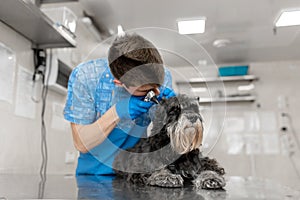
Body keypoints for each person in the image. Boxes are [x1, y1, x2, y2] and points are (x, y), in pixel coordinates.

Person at [64, 33, 176, 175]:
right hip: (95, 175)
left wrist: (170, 110)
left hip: (135, 173)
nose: (155, 92)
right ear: (119, 82)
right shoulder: (86, 77)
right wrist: (117, 112)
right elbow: (81, 143)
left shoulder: (163, 76)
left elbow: (164, 135)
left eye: (157, 87)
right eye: (145, 90)